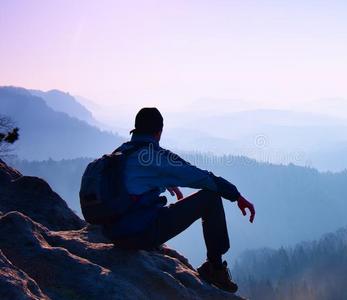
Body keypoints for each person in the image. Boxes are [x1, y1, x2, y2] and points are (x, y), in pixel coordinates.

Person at [102, 107, 255, 293]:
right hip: (139, 235)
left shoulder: (122, 152)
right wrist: (236, 195)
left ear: (136, 130)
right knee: (210, 197)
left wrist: (162, 182)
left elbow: (132, 185)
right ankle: (215, 268)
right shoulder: (155, 155)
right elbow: (201, 177)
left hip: (112, 232)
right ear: (158, 133)